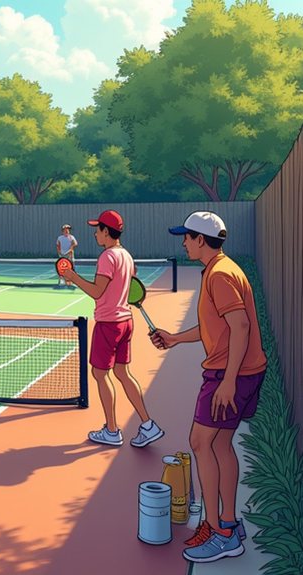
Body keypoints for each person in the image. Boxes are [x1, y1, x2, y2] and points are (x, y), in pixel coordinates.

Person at [150, 212, 265, 564]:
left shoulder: (219, 275)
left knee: (201, 443)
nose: (183, 242)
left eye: (186, 237)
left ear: (201, 239)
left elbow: (242, 326)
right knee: (220, 443)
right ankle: (227, 522)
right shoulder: (222, 269)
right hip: (244, 370)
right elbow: (216, 328)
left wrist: (228, 381)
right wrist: (174, 339)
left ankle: (220, 534)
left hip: (229, 374)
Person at [60, 209, 163, 448]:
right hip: (126, 322)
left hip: (109, 324)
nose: (95, 234)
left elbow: (98, 292)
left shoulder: (107, 257)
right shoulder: (126, 255)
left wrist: (73, 277)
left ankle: (112, 431)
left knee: (100, 374)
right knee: (123, 373)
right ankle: (148, 425)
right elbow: (130, 281)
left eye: (98, 230)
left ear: (107, 232)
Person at [56, 224, 78, 289]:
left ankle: (72, 281)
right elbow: (58, 245)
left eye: (68, 229)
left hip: (70, 256)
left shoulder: (72, 237)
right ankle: (62, 280)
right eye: (66, 229)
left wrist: (70, 250)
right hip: (62, 255)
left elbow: (75, 244)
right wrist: (59, 253)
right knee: (61, 269)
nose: (67, 231)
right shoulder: (60, 238)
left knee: (71, 268)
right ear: (63, 230)